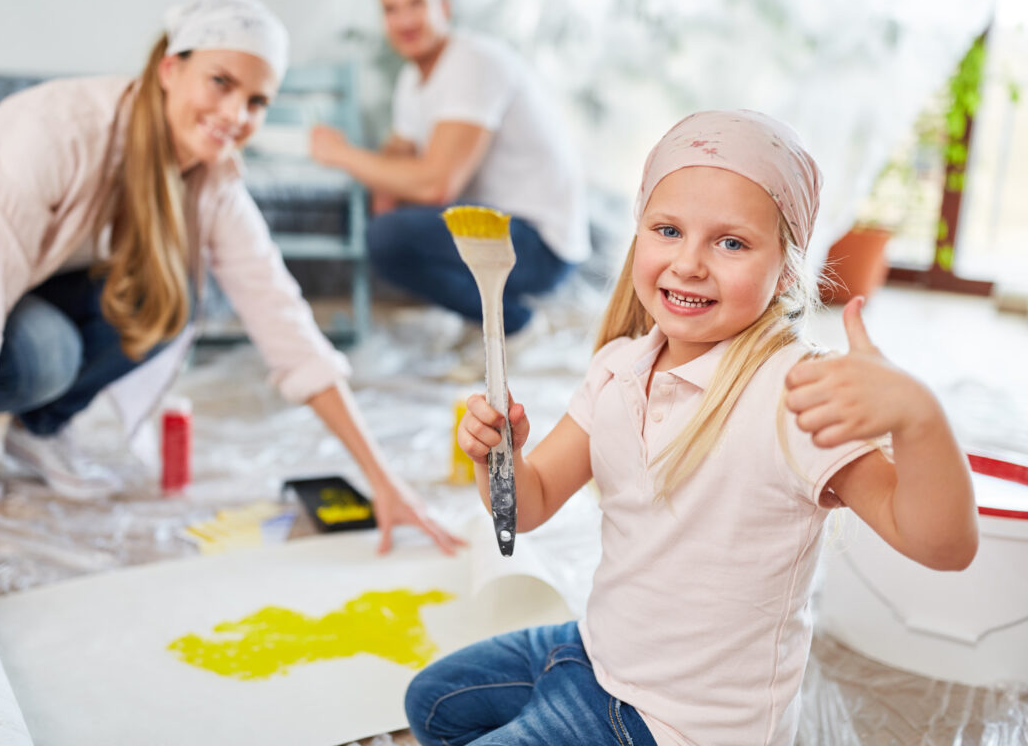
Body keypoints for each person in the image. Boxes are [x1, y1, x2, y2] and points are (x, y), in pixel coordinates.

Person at [0, 0, 462, 601]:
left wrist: (384, 478)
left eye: (258, 101)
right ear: (169, 69)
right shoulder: (61, 130)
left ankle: (37, 433)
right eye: (221, 82)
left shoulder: (211, 179)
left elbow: (284, 322)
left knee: (166, 299)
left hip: (27, 281)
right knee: (42, 354)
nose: (236, 114)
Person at [404, 110, 979, 745]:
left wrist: (919, 418)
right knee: (431, 703)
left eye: (731, 242)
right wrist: (498, 460)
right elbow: (530, 504)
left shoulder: (795, 394)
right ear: (639, 237)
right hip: (599, 652)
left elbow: (943, 546)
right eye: (668, 230)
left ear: (787, 271)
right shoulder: (618, 368)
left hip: (676, 724)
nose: (689, 264)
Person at [309, 0, 588, 337]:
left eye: (416, 4)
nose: (404, 21)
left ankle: (516, 326)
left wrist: (341, 154)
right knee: (373, 224)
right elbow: (397, 160)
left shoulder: (472, 61)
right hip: (496, 226)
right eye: (391, 9)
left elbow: (435, 185)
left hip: (541, 245)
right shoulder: (413, 77)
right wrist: (383, 183)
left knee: (388, 236)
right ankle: (484, 317)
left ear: (444, 7)